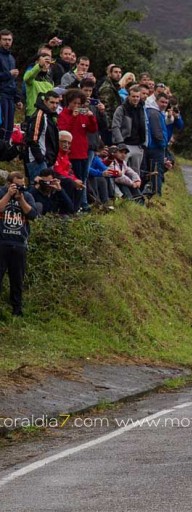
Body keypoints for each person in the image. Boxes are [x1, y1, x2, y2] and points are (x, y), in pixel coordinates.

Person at [0, 171, 39, 316]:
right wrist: (8, 195)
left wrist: (21, 199)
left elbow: (33, 215)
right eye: (17, 185)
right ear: (9, 184)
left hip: (19, 243)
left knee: (17, 279)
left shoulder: (27, 196)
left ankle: (17, 309)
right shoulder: (1, 192)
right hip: (2, 241)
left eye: (23, 185)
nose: (20, 188)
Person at [58, 89, 98, 211]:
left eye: (79, 104)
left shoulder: (83, 115)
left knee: (82, 180)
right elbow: (64, 131)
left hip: (83, 153)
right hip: (71, 154)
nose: (76, 106)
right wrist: (74, 117)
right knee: (73, 182)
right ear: (68, 102)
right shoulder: (63, 115)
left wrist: (91, 117)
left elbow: (92, 129)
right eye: (74, 103)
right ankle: (74, 206)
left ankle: (80, 205)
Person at [25, 90, 60, 183]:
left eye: (57, 103)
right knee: (37, 187)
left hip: (47, 159)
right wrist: (40, 158)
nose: (55, 106)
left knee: (47, 189)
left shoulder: (50, 116)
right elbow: (33, 138)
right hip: (37, 160)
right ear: (45, 101)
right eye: (52, 102)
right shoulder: (40, 115)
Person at [111, 85, 146, 175]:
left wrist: (145, 142)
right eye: (133, 96)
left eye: (137, 97)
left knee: (135, 173)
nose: (135, 99)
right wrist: (120, 142)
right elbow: (115, 126)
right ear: (129, 96)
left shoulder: (141, 108)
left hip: (138, 145)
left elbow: (145, 125)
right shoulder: (121, 109)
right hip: (125, 144)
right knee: (122, 172)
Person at [0, 30, 23, 142]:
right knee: (2, 125)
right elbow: (8, 76)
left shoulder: (11, 58)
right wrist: (8, 74)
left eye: (9, 40)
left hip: (10, 96)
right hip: (1, 95)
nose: (7, 42)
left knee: (9, 126)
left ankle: (5, 152)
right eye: (4, 39)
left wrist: (17, 98)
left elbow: (13, 82)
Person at [145, 92, 170, 195]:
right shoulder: (154, 113)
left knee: (156, 171)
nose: (164, 104)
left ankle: (154, 193)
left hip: (156, 147)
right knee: (156, 172)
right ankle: (156, 194)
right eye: (162, 102)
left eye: (166, 103)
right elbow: (157, 133)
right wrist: (163, 144)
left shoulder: (157, 112)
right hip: (155, 147)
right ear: (156, 101)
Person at [53, 131, 84, 211]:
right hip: (57, 178)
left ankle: (74, 211)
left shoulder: (66, 155)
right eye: (63, 141)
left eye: (69, 143)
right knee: (69, 182)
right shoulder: (55, 154)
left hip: (65, 178)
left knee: (80, 185)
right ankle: (66, 211)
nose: (66, 145)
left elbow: (69, 172)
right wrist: (73, 181)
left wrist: (76, 180)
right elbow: (57, 171)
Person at [23, 52, 54, 117]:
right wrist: (39, 66)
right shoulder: (32, 77)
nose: (45, 65)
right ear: (37, 62)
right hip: (33, 114)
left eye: (48, 63)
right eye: (44, 61)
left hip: (47, 114)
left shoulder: (50, 81)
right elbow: (26, 78)